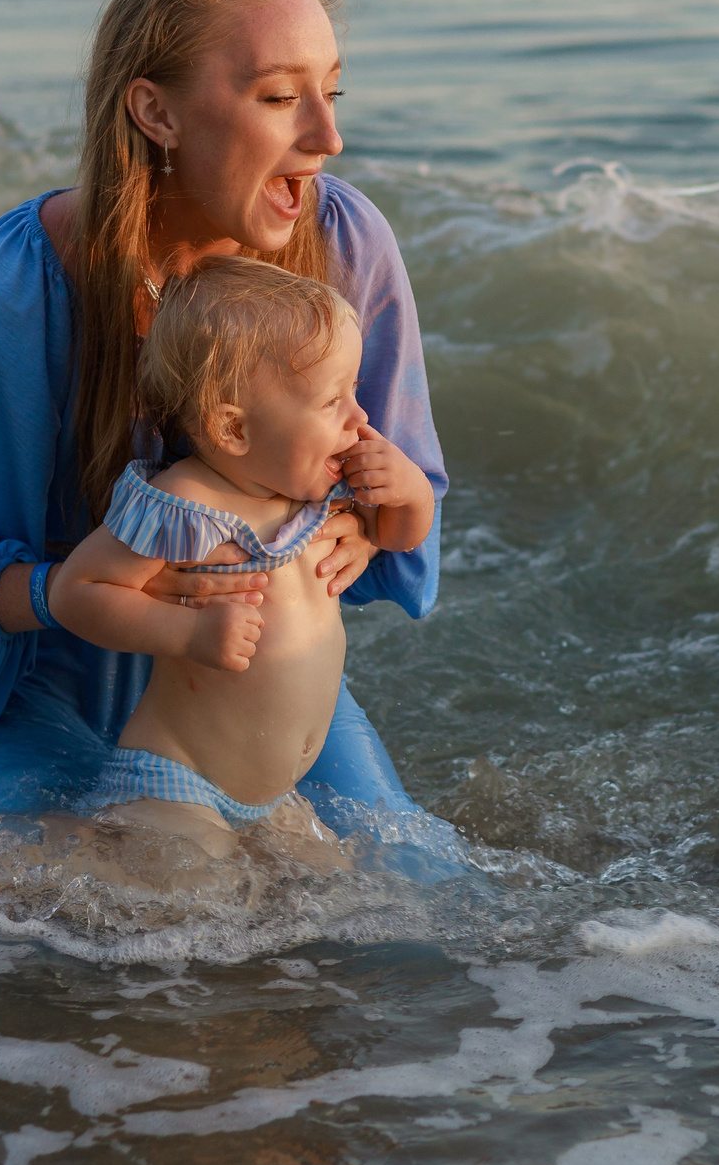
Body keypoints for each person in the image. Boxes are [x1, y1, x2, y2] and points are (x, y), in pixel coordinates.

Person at [0, 0, 449, 880]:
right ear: (156, 111)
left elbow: (404, 481)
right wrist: (68, 593)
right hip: (44, 705)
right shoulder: (18, 286)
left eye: (336, 90)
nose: (328, 136)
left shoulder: (345, 241)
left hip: (251, 708)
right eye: (280, 96)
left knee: (424, 912)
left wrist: (367, 527)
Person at [44, 256, 434, 869]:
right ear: (233, 428)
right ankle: (49, 853)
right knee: (190, 898)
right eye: (334, 400)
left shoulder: (320, 489)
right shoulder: (183, 504)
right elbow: (77, 590)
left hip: (273, 796)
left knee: (338, 893)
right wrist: (189, 631)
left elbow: (400, 535)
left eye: (354, 391)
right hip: (182, 779)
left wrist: (409, 493)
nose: (359, 418)